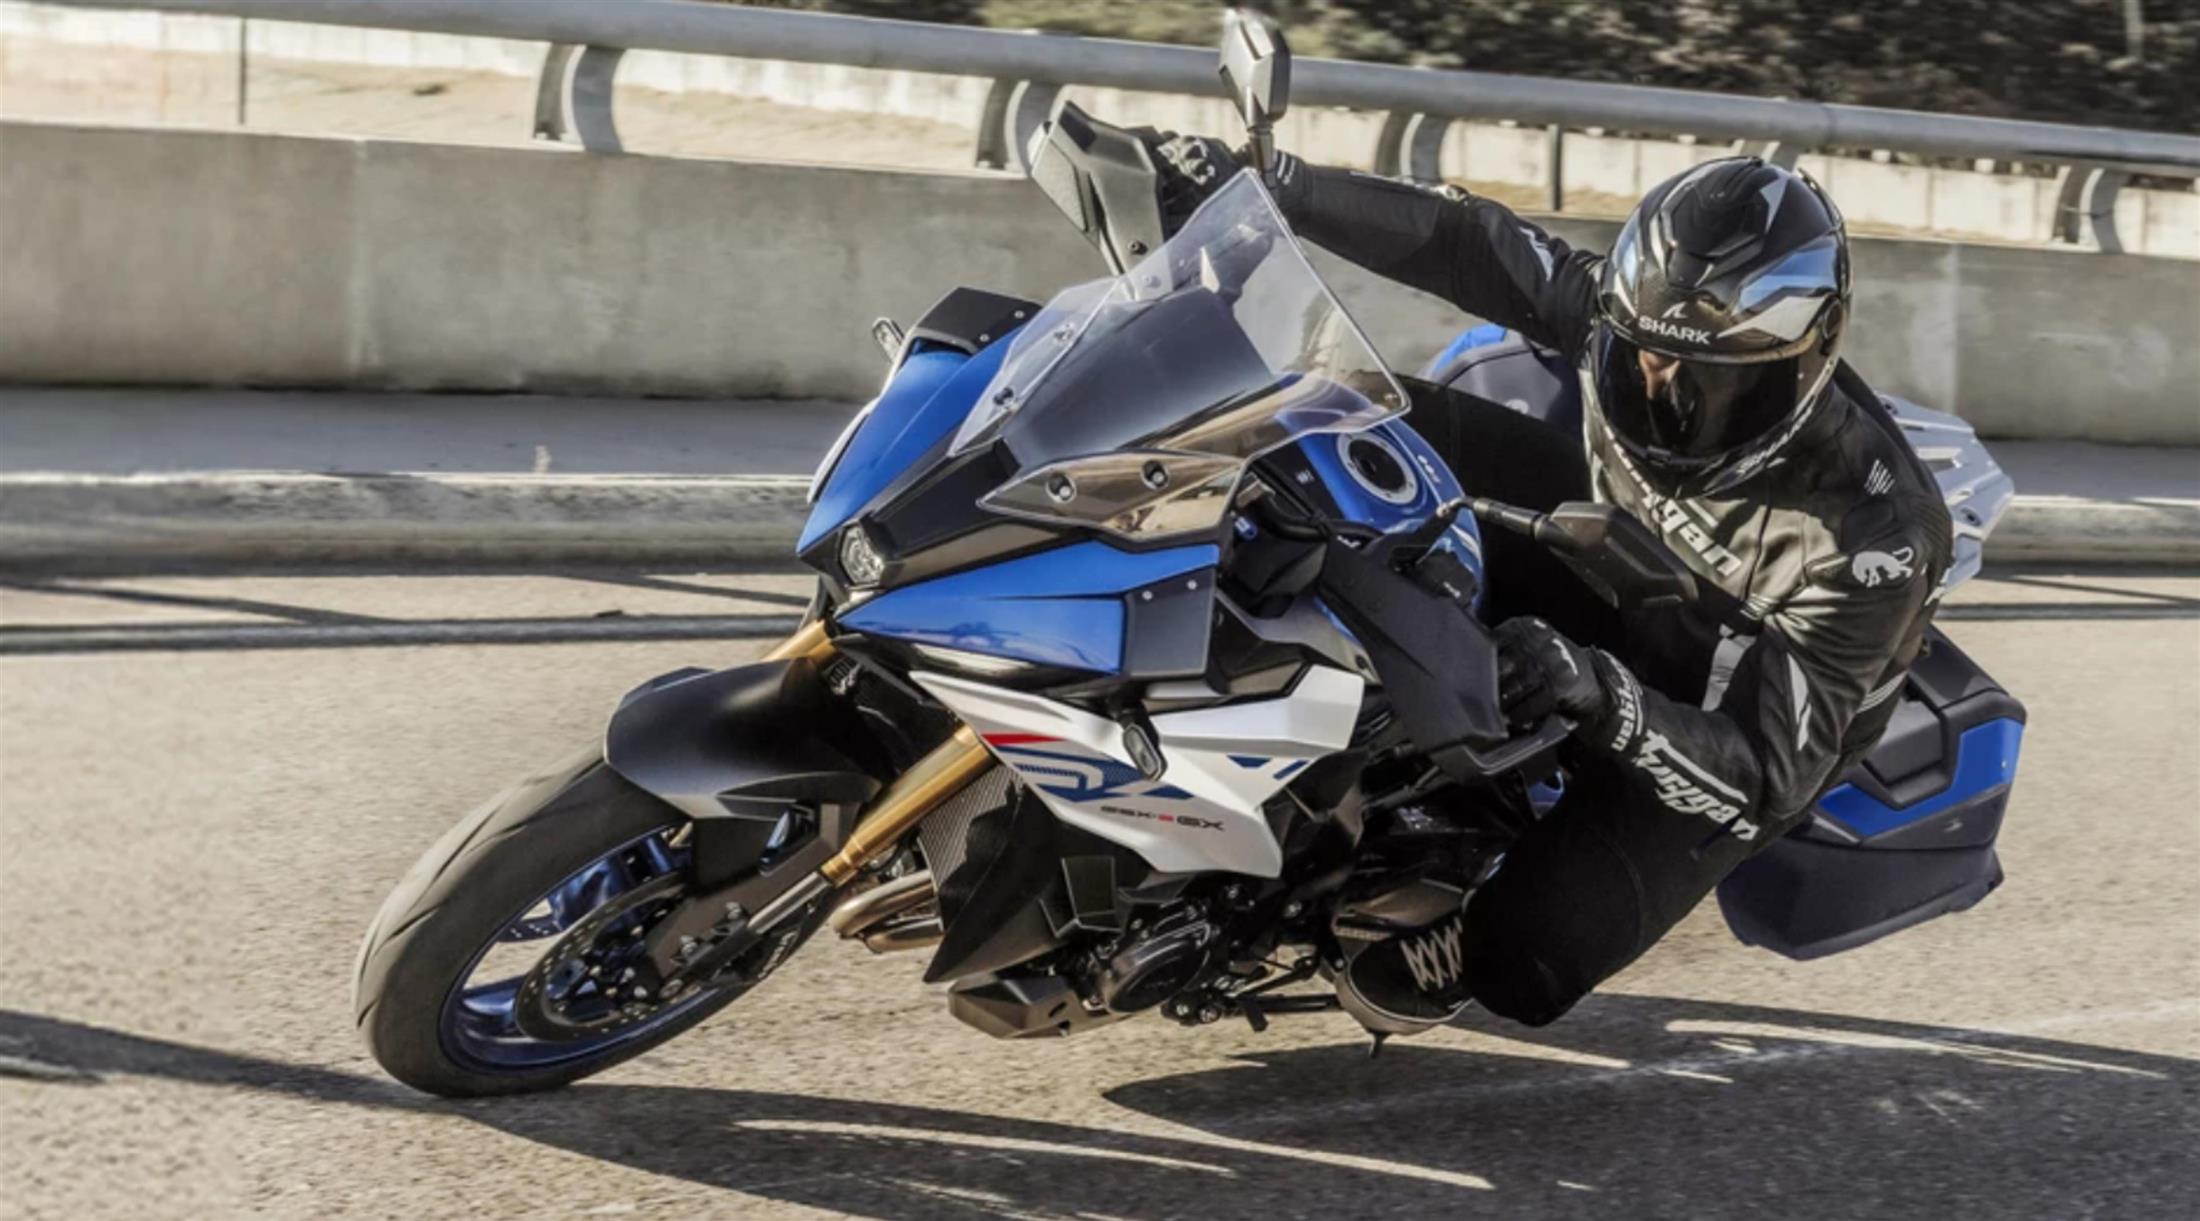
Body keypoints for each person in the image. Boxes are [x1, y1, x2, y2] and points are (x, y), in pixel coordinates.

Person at [1149, 138, 1955, 1029]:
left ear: (1804, 364)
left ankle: (1459, 891)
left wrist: (1606, 696)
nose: (1663, 393)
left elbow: (1766, 773)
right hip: (1608, 553)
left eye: (1713, 383)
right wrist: (1280, 187)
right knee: (1344, 426)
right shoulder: (1628, 313)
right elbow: (1471, 242)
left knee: (1524, 962)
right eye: (1642, 355)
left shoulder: (1874, 541)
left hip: (1722, 709)